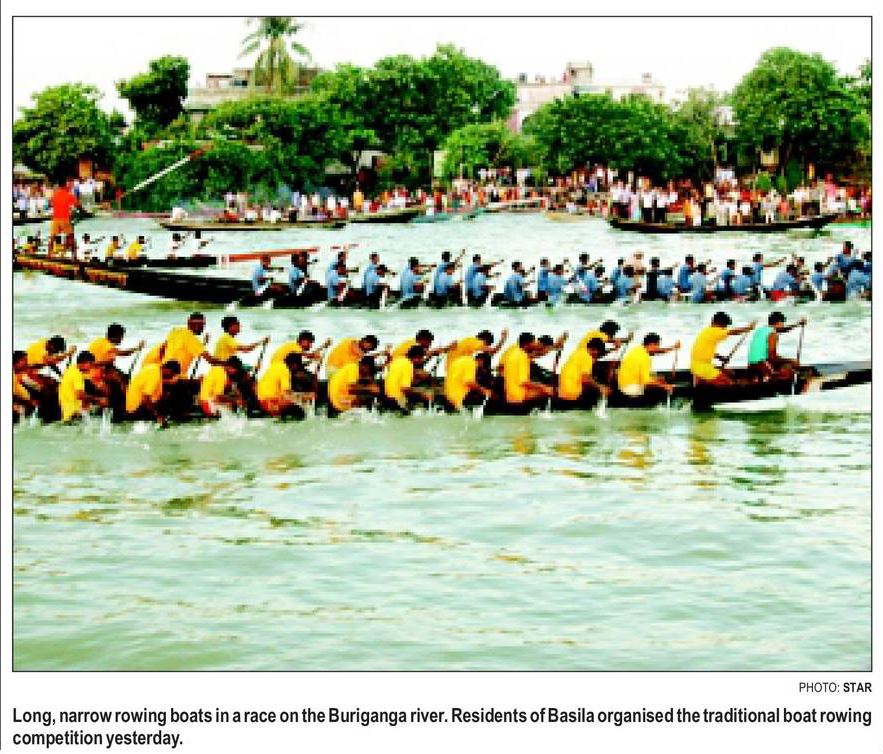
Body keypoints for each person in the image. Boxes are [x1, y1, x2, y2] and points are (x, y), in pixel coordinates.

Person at [690, 311, 756, 386]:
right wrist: (748, 328)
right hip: (702, 368)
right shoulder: (714, 331)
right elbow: (732, 332)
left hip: (697, 367)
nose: (725, 328)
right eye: (725, 325)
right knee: (728, 383)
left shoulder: (707, 331)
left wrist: (721, 358)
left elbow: (704, 351)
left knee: (729, 372)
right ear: (720, 324)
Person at [746, 312, 806, 382]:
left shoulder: (761, 330)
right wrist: (791, 361)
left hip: (751, 365)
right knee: (789, 367)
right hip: (762, 366)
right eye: (783, 323)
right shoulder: (773, 334)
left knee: (786, 365)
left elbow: (783, 329)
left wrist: (798, 324)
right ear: (779, 322)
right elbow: (772, 357)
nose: (783, 325)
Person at [617, 333, 679, 399]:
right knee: (659, 383)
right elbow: (646, 381)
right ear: (651, 344)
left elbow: (657, 351)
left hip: (623, 385)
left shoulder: (637, 349)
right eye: (658, 345)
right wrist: (665, 386)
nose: (658, 348)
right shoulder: (645, 358)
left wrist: (673, 347)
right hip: (631, 389)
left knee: (658, 377)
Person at [501, 332, 555, 408]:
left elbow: (538, 353)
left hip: (511, 391)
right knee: (548, 390)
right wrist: (543, 387)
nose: (535, 344)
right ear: (527, 344)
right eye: (533, 342)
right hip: (517, 396)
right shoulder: (522, 357)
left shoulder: (516, 352)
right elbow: (523, 382)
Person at [556, 337, 609, 407]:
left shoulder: (578, 353)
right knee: (597, 389)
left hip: (563, 393)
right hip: (573, 395)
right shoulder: (587, 357)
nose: (597, 357)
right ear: (596, 351)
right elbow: (585, 379)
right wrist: (601, 387)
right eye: (598, 354)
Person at [57, 351, 106, 422]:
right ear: (83, 363)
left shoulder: (70, 369)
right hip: (74, 414)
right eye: (90, 364)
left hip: (66, 413)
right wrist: (98, 400)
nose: (91, 367)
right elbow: (80, 395)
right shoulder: (78, 375)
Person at [383, 345, 432, 411]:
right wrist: (422, 395)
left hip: (387, 396)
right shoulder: (408, 365)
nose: (422, 360)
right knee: (426, 397)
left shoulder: (397, 361)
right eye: (421, 358)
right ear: (417, 357)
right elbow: (405, 388)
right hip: (398, 399)